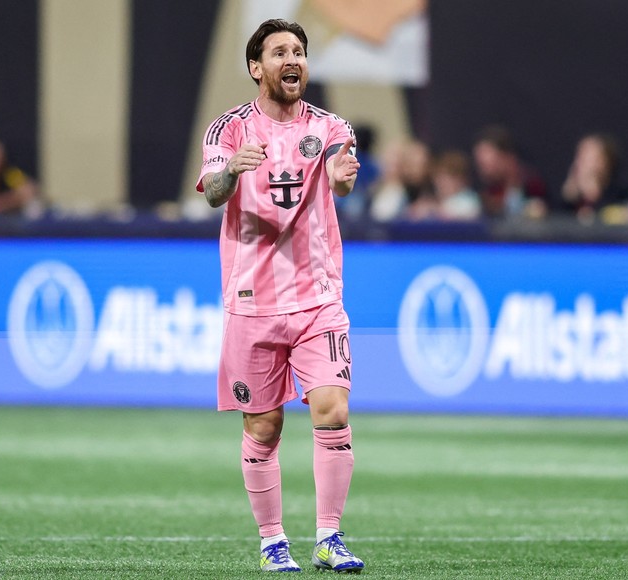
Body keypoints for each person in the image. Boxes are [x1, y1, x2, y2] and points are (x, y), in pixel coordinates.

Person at [196, 18, 365, 574]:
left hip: (317, 297)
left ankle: (329, 538)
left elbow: (342, 176)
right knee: (263, 426)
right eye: (279, 53)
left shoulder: (331, 125)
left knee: (332, 408)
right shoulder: (228, 130)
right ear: (256, 68)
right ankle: (273, 542)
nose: (292, 60)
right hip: (253, 301)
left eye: (299, 51)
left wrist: (342, 175)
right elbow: (213, 194)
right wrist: (233, 174)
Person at [472, 125, 547, 219]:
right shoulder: (485, 192)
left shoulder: (533, 187)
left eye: (487, 163)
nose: (483, 169)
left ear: (507, 158)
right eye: (480, 164)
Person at [561, 133, 628, 222]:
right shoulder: (571, 202)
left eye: (585, 155)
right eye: (579, 155)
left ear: (603, 162)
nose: (578, 162)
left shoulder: (622, 196)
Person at [430, 150, 481, 221]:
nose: (441, 183)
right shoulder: (437, 201)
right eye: (439, 178)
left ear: (461, 180)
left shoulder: (469, 201)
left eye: (447, 178)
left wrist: (431, 210)